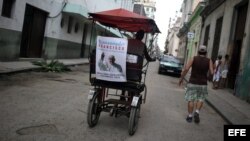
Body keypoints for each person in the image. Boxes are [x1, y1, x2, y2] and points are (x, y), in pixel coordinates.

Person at [179, 45, 214, 123]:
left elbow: (186, 69)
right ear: (206, 52)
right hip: (203, 84)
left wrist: (181, 78)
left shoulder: (194, 58)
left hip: (192, 82)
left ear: (198, 52)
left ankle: (190, 116)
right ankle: (197, 112)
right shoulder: (209, 60)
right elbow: (212, 72)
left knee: (191, 99)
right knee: (200, 99)